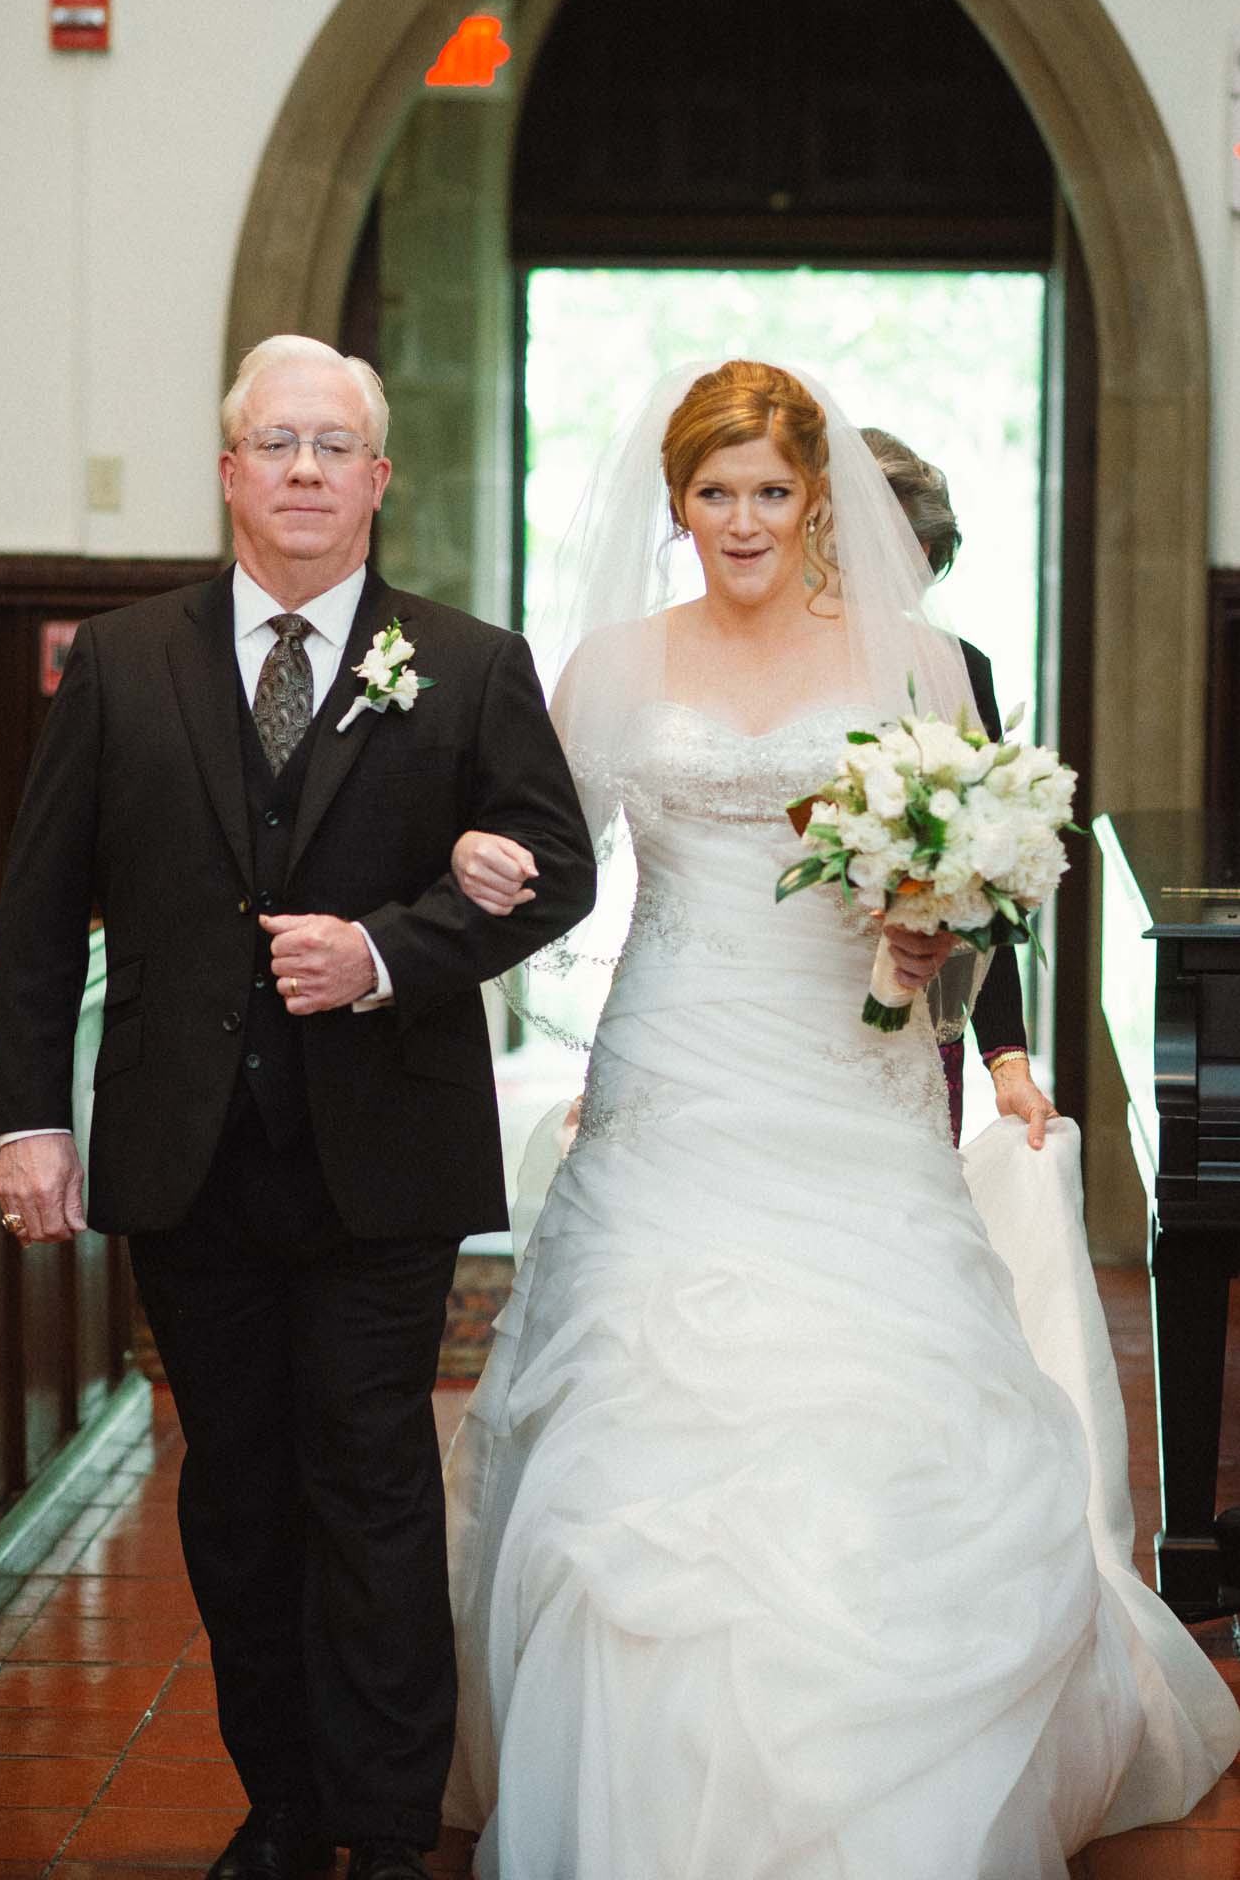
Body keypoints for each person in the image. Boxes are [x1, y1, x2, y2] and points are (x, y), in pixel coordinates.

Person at [438, 360, 1239, 1879]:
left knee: (875, 1410)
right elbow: (555, 864)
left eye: (769, 490)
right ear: (674, 504)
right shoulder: (608, 664)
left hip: (847, 1074)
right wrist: (475, 876)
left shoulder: (915, 663)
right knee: (631, 1425)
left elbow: (978, 878)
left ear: (816, 500)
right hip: (674, 1070)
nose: (741, 519)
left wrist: (940, 940)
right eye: (712, 491)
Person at [0, 335, 597, 1880]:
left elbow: (557, 873)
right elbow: (41, 913)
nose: (307, 470)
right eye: (277, 443)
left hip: (382, 1156)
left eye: (336, 446)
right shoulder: (123, 663)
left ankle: (386, 1829)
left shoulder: (463, 662)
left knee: (371, 1479)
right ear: (228, 471)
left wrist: (392, 951)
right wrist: (27, 1118)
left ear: (380, 479)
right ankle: (284, 1808)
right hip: (185, 1157)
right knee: (239, 1499)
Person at [859, 425, 1055, 1150]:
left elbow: (981, 876)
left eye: (919, 579)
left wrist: (1006, 1060)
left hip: (910, 1009)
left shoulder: (958, 668)